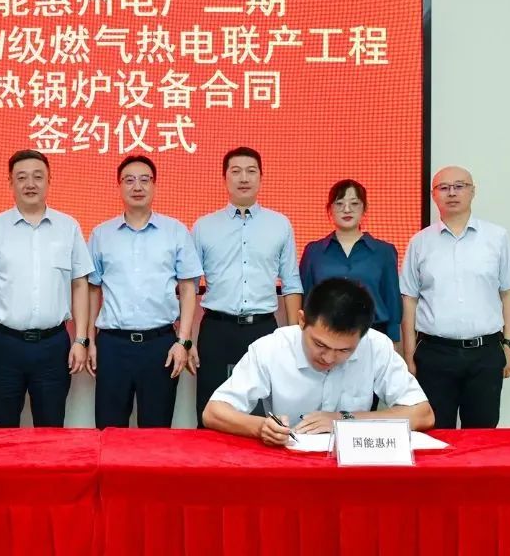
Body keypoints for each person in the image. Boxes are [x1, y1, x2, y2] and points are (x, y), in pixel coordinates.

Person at [203, 278, 434, 445]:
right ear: (302, 321)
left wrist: (344, 420)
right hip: (290, 463)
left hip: (353, 464)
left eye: (344, 350)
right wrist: (261, 427)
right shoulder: (271, 348)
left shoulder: (376, 345)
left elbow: (423, 414)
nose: (329, 358)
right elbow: (213, 412)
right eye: (320, 344)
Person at [0, 149, 94, 427]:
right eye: (22, 177)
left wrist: (81, 340)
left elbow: (79, 285)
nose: (30, 184)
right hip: (2, 345)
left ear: (49, 181)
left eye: (38, 177)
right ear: (10, 183)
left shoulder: (68, 227)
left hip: (53, 345)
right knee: (2, 428)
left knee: (51, 428)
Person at [400, 166, 510, 429]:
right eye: (444, 188)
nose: (452, 193)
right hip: (434, 355)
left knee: (483, 434)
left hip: (485, 354)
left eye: (459, 186)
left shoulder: (497, 237)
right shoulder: (419, 242)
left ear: (472, 191)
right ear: (434, 195)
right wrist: (409, 356)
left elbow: (509, 293)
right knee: (435, 434)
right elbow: (409, 300)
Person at [87, 155, 202, 428]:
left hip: (160, 345)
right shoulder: (101, 234)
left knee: (157, 431)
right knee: (109, 430)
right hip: (113, 345)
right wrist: (89, 341)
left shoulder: (175, 231)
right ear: (119, 186)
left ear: (154, 185)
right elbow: (93, 290)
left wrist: (184, 341)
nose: (137, 187)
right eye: (129, 180)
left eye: (144, 180)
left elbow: (188, 289)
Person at [191, 146, 303, 427]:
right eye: (236, 171)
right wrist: (186, 339)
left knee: (263, 411)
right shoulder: (204, 226)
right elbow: (189, 287)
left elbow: (291, 283)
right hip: (216, 329)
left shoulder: (280, 224)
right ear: (225, 178)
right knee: (209, 409)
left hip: (262, 328)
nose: (244, 178)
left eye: (251, 171)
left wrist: (294, 338)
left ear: (261, 177)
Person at [299, 179, 402, 343]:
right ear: (329, 210)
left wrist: (394, 343)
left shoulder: (384, 251)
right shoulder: (313, 251)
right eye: (339, 203)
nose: (347, 209)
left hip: (373, 337)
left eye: (354, 203)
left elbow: (393, 302)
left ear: (364, 209)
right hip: (326, 338)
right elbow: (307, 300)